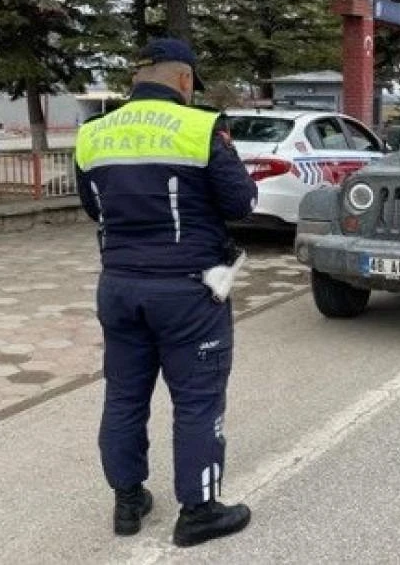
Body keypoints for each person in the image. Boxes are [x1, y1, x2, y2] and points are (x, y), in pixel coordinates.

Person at [74, 37, 258, 547]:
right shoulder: (202, 127)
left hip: (119, 287)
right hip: (188, 292)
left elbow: (95, 208)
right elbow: (241, 203)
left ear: (138, 77)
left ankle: (128, 502)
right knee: (197, 400)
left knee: (124, 396)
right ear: (184, 80)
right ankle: (199, 513)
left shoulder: (93, 133)